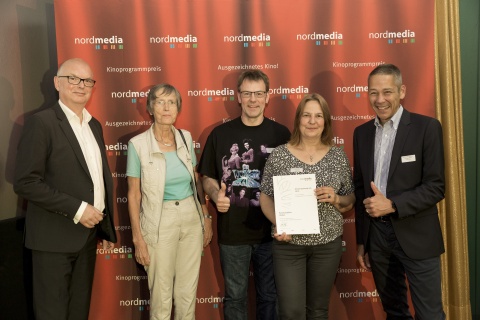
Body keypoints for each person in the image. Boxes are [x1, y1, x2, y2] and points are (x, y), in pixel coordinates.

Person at [13, 58, 117, 320]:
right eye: (73, 78)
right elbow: (26, 182)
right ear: (57, 83)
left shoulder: (94, 125)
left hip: (87, 237)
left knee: (78, 313)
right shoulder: (42, 123)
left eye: (87, 81)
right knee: (53, 314)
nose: (81, 85)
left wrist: (102, 223)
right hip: (53, 239)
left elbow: (96, 178)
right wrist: (79, 209)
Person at [353, 64, 446, 319]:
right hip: (378, 238)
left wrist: (392, 204)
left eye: (387, 92)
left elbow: (436, 187)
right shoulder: (361, 133)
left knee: (429, 314)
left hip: (417, 236)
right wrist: (363, 240)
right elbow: (360, 188)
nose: (379, 100)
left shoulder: (426, 128)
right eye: (373, 93)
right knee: (394, 311)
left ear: (401, 91)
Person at [198, 69, 291, 320]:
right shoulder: (219, 134)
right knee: (235, 297)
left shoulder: (282, 135)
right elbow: (206, 177)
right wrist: (215, 193)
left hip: (272, 232)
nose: (253, 99)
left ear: (267, 96)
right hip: (233, 232)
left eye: (258, 93)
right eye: (247, 93)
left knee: (270, 297)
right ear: (238, 96)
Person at [260, 93, 355, 319]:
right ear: (298, 120)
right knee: (291, 312)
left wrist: (337, 199)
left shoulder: (337, 156)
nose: (312, 121)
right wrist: (279, 223)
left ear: (326, 121)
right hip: (289, 245)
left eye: (318, 116)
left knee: (318, 310)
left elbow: (350, 198)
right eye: (307, 115)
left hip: (326, 246)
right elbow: (265, 196)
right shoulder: (280, 155)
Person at [126, 83, 213, 319]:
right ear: (150, 108)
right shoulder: (138, 145)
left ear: (178, 108)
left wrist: (205, 215)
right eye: (160, 102)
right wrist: (138, 238)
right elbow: (134, 195)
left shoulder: (185, 137)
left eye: (171, 102)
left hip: (191, 218)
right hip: (159, 221)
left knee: (187, 294)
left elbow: (195, 179)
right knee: (161, 296)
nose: (166, 108)